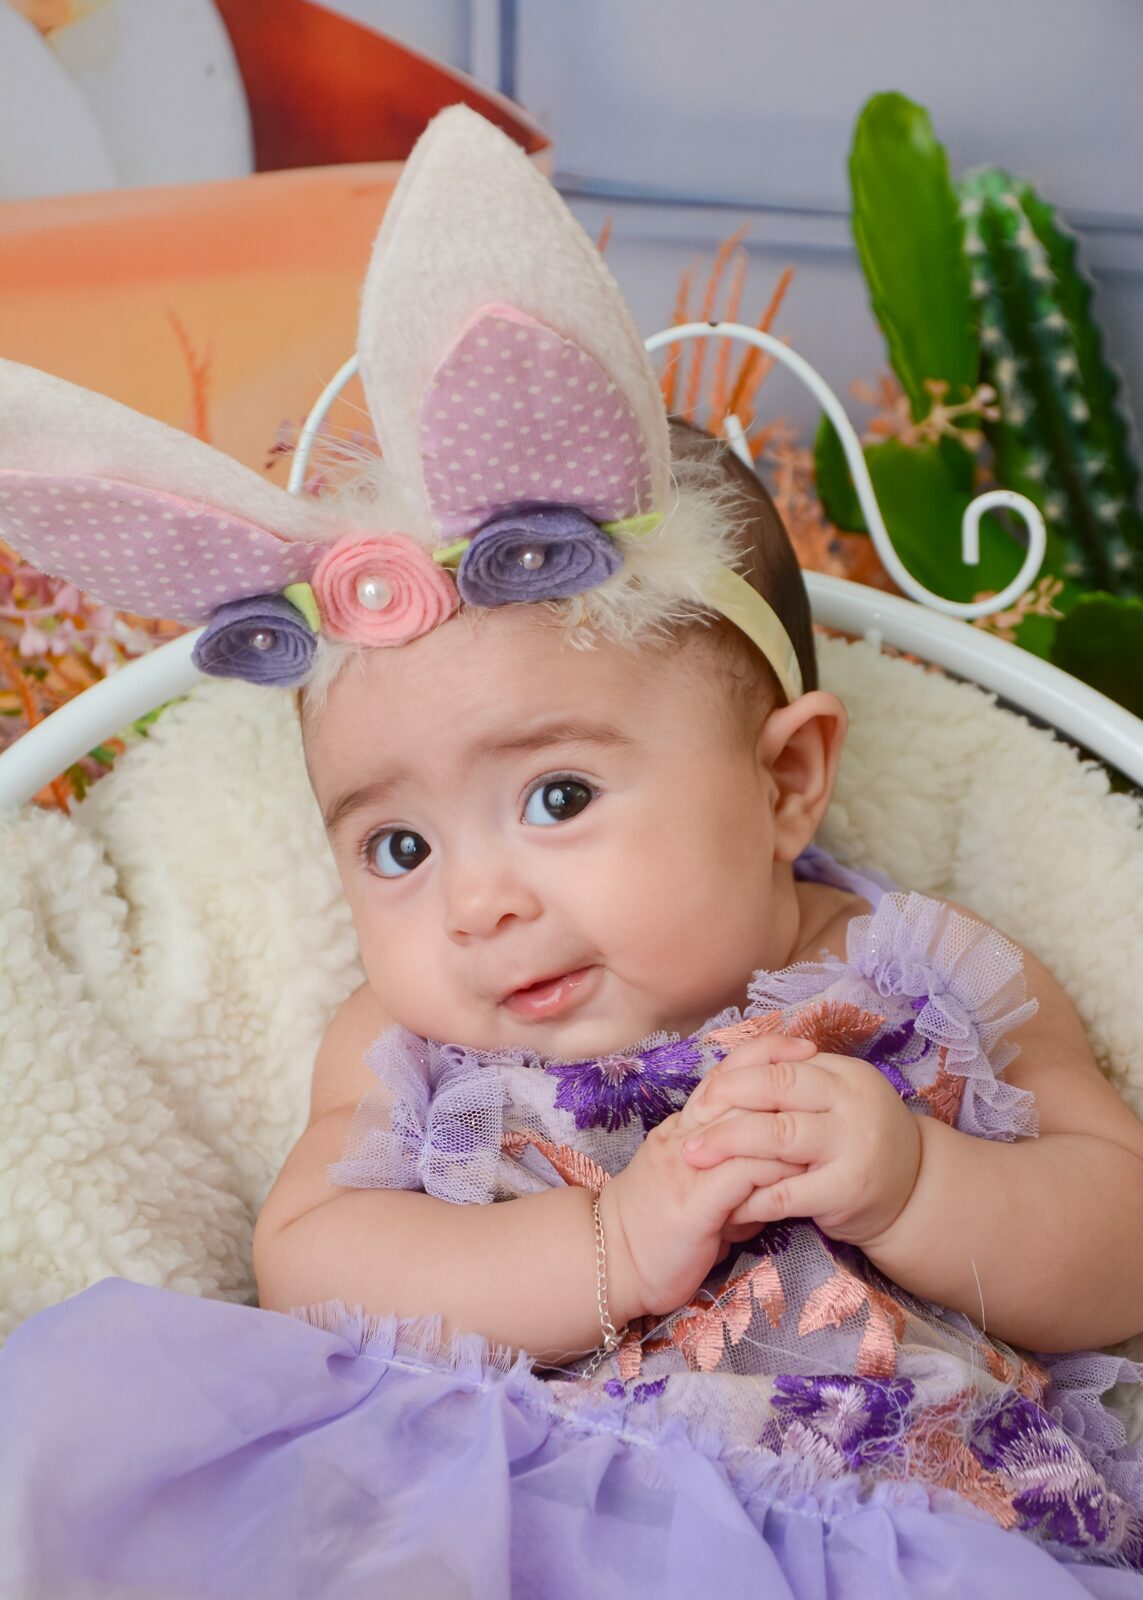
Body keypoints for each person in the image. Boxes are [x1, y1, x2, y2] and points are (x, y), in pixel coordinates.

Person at [1, 105, 1143, 1599]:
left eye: (556, 799)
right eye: (398, 843)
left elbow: (1122, 1249)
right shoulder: (403, 1040)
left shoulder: (921, 975)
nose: (478, 903)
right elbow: (314, 1266)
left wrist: (916, 1184)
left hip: (880, 1531)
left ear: (786, 781)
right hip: (498, 1506)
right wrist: (609, 1242)